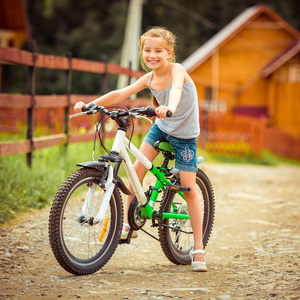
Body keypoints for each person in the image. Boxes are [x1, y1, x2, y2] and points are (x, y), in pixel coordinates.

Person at [74, 27, 207, 272]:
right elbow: (121, 93)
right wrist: (91, 105)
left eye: (158, 51)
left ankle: (198, 247)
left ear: (169, 53)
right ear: (142, 53)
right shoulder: (149, 78)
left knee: (188, 189)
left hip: (185, 135)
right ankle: (127, 224)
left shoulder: (177, 70)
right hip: (161, 128)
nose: (152, 55)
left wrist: (169, 107)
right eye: (147, 50)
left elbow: (176, 90)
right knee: (135, 170)